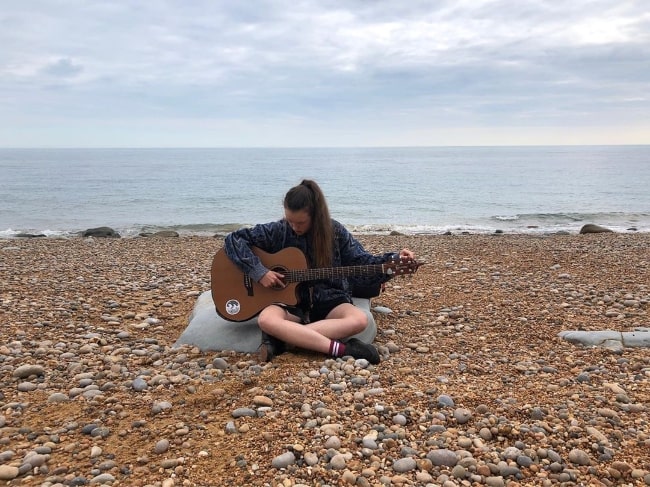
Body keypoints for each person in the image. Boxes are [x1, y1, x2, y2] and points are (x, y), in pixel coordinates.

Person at [223, 179, 415, 364]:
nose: (294, 227)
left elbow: (362, 261)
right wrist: (260, 272)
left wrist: (393, 261)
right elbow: (234, 240)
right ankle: (342, 349)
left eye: (300, 223)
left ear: (316, 215)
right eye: (290, 221)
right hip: (290, 304)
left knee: (359, 319)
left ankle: (285, 339)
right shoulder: (279, 230)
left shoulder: (335, 232)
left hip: (330, 300)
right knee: (266, 319)